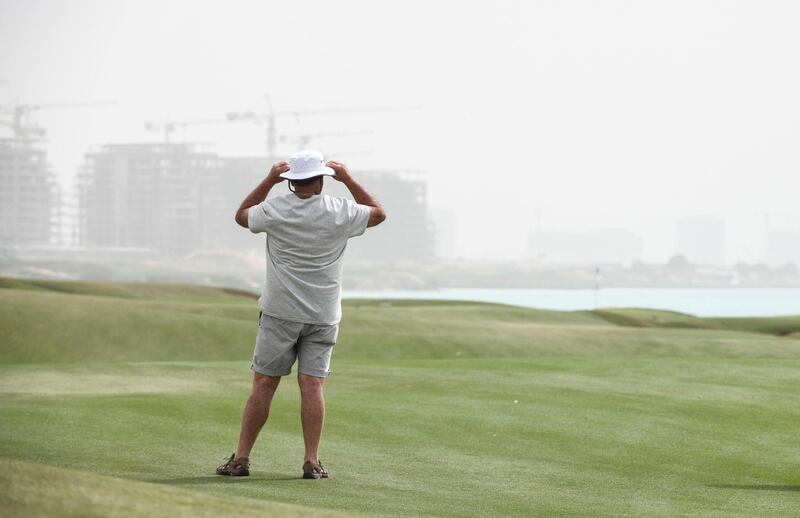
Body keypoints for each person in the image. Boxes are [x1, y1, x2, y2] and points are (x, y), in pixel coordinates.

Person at [215, 149, 386, 480]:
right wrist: (348, 178)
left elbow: (242, 215)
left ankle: (241, 459)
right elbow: (378, 213)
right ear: (323, 179)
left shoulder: (276, 208)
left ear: (291, 183)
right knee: (312, 384)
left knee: (265, 382)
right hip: (323, 314)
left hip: (280, 312)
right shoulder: (340, 210)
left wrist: (268, 180)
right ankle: (312, 461)